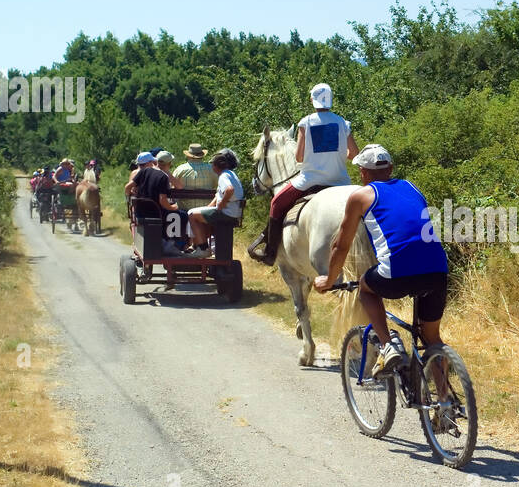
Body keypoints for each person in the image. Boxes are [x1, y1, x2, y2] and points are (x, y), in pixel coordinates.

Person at [313, 144, 448, 378]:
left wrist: (330, 279)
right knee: (432, 338)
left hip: (397, 271)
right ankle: (445, 403)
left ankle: (388, 345)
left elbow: (340, 245)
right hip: (437, 269)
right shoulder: (412, 187)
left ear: (363, 173)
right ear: (391, 168)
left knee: (366, 288)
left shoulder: (361, 196)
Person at [256, 82, 359, 265]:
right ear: (330, 99)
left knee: (276, 203)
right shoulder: (343, 122)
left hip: (310, 180)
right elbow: (354, 154)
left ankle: (270, 252)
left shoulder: (306, 122)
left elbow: (299, 156)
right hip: (342, 181)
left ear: (312, 100)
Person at [185, 148, 245, 254]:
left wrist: (222, 203)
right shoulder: (231, 174)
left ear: (216, 166)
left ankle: (202, 248)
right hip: (234, 212)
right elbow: (219, 195)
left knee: (191, 214)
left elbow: (229, 190)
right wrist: (209, 207)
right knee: (200, 215)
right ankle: (198, 245)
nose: (211, 167)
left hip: (226, 212)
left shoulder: (223, 176)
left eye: (212, 164)